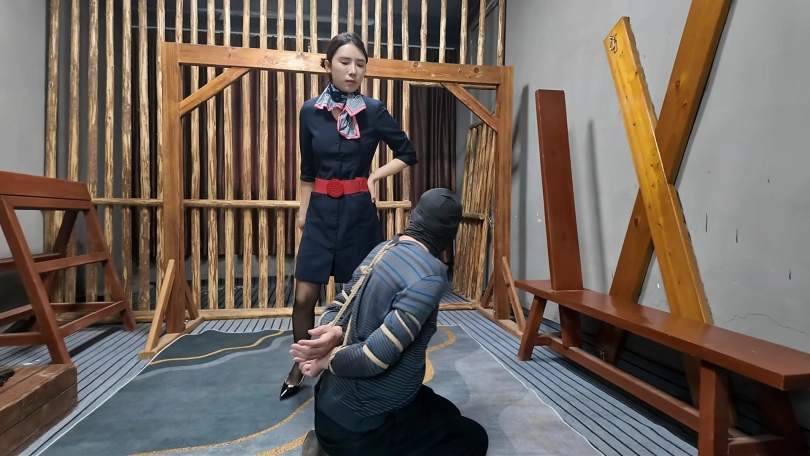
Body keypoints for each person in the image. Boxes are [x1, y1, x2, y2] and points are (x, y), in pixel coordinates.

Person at [290, 188, 489, 456]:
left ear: (414, 217)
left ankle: (326, 444)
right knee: (474, 438)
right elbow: (374, 357)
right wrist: (326, 359)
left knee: (447, 410)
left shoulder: (383, 248)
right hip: (361, 429)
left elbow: (339, 304)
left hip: (328, 409)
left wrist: (334, 330)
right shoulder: (429, 276)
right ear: (450, 233)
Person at [281, 31, 419, 400]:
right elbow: (307, 172)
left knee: (354, 297)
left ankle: (345, 364)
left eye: (360, 64)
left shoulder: (373, 111)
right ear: (328, 65)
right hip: (320, 212)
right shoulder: (310, 111)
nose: (353, 70)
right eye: (345, 62)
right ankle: (300, 364)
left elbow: (407, 152)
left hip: (359, 213)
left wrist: (375, 176)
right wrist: (302, 214)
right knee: (304, 296)